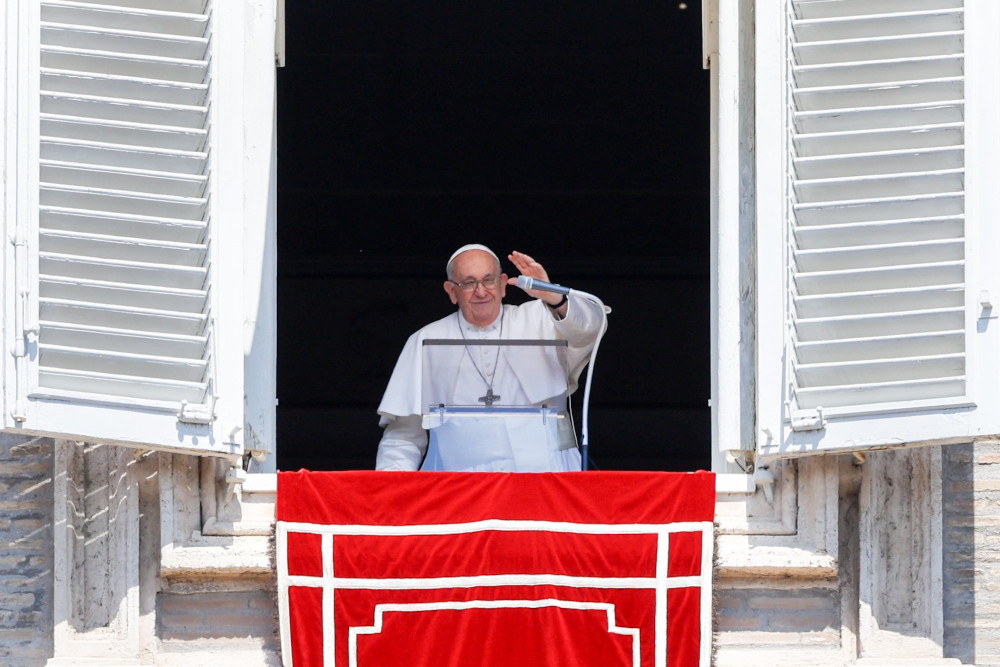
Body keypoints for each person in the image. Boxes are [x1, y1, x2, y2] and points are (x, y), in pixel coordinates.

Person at [375, 244, 607, 471]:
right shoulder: (426, 339)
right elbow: (403, 435)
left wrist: (553, 296)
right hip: (459, 482)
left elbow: (592, 327)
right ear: (451, 291)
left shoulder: (541, 316)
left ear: (503, 284)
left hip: (546, 473)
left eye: (489, 280)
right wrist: (390, 490)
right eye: (468, 283)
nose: (481, 291)